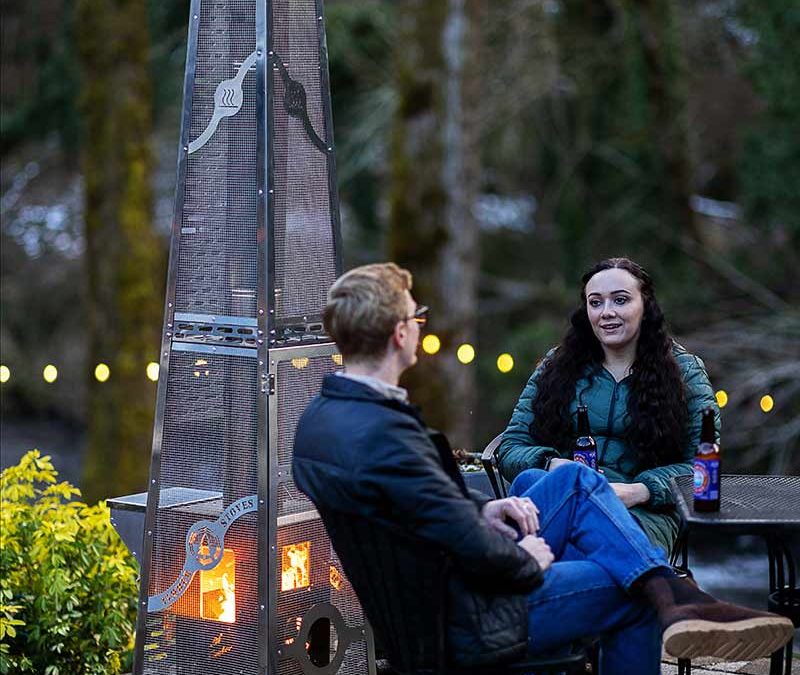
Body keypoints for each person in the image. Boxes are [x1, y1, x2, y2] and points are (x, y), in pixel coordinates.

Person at [292, 262, 791, 674]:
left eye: (621, 299)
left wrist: (487, 510)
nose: (607, 312)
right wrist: (525, 558)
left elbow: (425, 508)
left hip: (432, 597)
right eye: (416, 316)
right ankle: (674, 596)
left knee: (568, 480)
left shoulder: (324, 419)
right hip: (471, 611)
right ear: (401, 334)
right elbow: (461, 530)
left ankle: (676, 598)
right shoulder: (390, 434)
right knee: (629, 588)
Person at [499, 257, 718, 555]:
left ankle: (518, 577)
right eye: (595, 302)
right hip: (563, 502)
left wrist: (639, 491)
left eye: (621, 300)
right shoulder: (556, 366)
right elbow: (511, 446)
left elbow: (703, 467)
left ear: (646, 306)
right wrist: (554, 466)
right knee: (531, 479)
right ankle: (656, 586)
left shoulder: (684, 372)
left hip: (640, 514)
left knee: (563, 552)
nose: (607, 313)